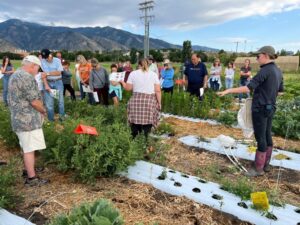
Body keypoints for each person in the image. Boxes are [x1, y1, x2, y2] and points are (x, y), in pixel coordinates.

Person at [217, 46, 284, 177]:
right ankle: (266, 165)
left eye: (258, 56)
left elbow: (248, 88)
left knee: (260, 137)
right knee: (267, 135)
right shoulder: (278, 70)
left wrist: (228, 91)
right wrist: (268, 92)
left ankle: (258, 168)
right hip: (271, 107)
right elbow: (280, 92)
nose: (256, 59)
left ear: (265, 55)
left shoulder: (265, 70)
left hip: (260, 108)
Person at [7, 55, 49, 186]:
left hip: (19, 118)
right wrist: (43, 111)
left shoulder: (16, 74)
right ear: (33, 66)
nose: (38, 70)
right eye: (38, 68)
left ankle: (28, 169)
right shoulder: (26, 77)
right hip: (28, 120)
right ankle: (32, 178)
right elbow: (35, 102)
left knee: (26, 146)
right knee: (29, 148)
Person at [120, 58, 161, 138]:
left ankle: (134, 142)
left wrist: (122, 82)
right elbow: (158, 91)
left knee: (135, 124)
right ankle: (145, 142)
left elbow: (128, 88)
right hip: (149, 101)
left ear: (138, 65)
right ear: (148, 65)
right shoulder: (153, 75)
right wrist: (159, 103)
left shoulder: (133, 73)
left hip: (136, 101)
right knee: (147, 124)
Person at [40, 49, 65, 122]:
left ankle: (62, 119)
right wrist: (46, 85)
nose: (46, 58)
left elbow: (59, 73)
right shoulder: (42, 61)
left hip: (58, 82)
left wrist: (48, 73)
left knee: (60, 102)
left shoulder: (57, 60)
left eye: (47, 56)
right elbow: (42, 75)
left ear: (51, 54)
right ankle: (51, 120)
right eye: (45, 57)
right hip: (48, 83)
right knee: (49, 104)